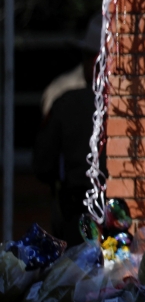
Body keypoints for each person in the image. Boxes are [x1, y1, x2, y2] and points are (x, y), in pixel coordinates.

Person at [33, 14, 104, 244]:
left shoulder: (64, 103)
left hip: (75, 216)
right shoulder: (132, 107)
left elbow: (43, 166)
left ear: (95, 60)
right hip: (119, 216)